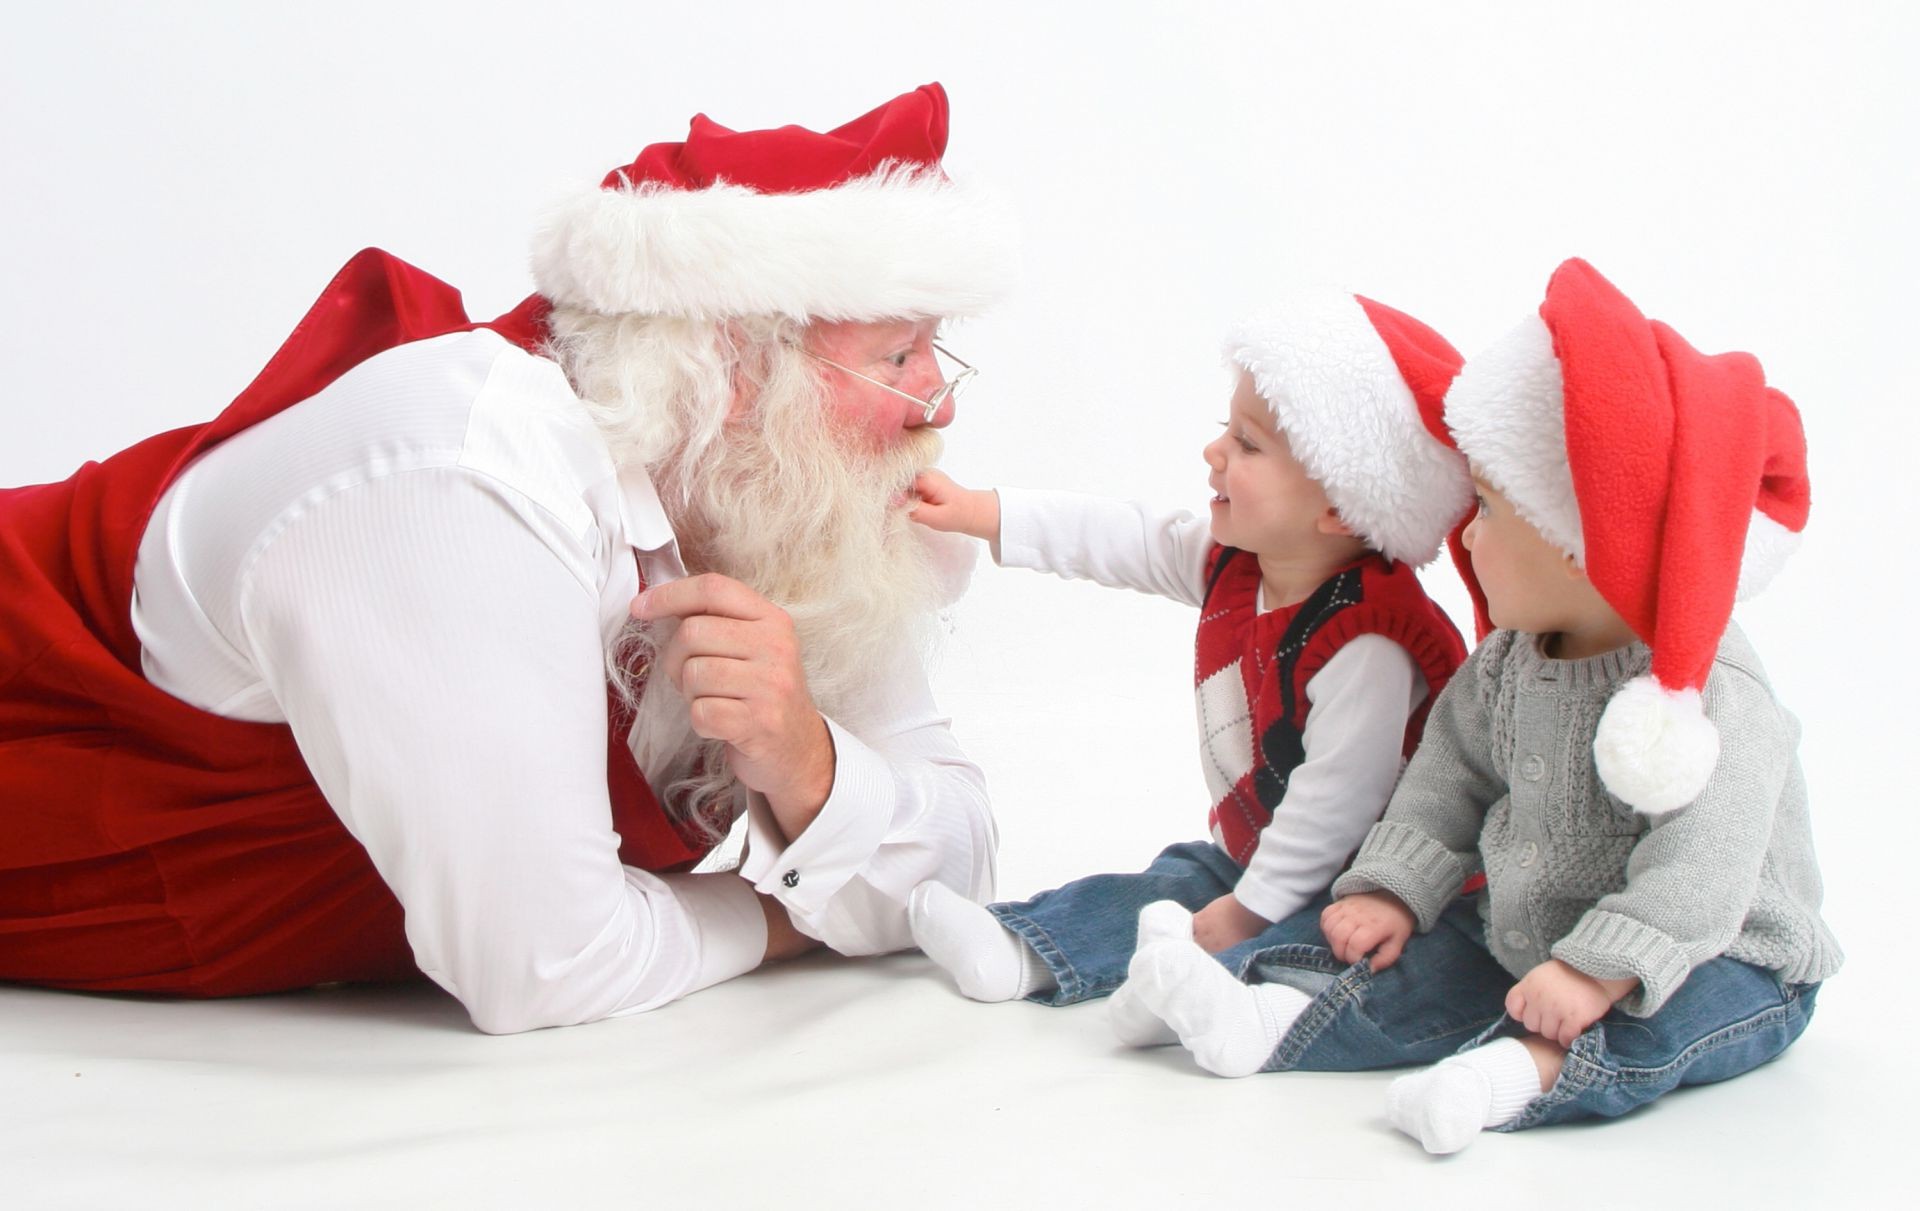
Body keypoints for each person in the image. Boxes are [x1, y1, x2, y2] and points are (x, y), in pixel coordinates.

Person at [0, 83, 1017, 1034]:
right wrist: (794, 911)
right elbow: (542, 963)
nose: (942, 399)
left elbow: (962, 850)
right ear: (731, 367)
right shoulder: (470, 474)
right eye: (897, 356)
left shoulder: (768, 502)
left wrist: (809, 765)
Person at [1115, 258, 1842, 1153]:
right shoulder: (1508, 661)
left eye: (1492, 508)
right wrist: (1393, 887)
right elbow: (1445, 778)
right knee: (1424, 957)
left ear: (1588, 545)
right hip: (1535, 928)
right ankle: (1266, 1017)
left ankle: (1516, 1076)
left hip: (1716, 951)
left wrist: (1595, 969)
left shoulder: (1710, 702)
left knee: (1673, 1016)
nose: (1464, 533)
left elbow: (1702, 875)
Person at [903, 291, 1473, 1022]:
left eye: (1248, 444)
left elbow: (1335, 805)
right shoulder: (1235, 561)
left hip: (1369, 885)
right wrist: (986, 512)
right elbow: (1123, 536)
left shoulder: (1367, 640)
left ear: (1341, 507)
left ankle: (1229, 994)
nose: (1215, 452)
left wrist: (1251, 908)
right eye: (1224, 430)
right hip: (1264, 852)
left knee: (1313, 942)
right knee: (1177, 878)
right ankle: (1023, 951)